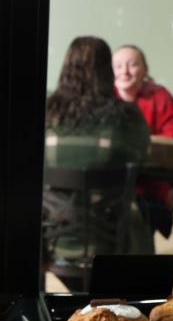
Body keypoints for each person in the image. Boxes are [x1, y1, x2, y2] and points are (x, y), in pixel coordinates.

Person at [43, 36, 153, 282]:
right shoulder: (127, 117)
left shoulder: (46, 113)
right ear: (107, 71)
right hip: (109, 240)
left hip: (52, 240)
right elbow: (143, 157)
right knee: (143, 212)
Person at [112, 44, 173, 237]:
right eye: (118, 66)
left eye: (132, 65)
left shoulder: (160, 96)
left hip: (148, 184)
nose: (125, 72)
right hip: (109, 184)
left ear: (145, 70)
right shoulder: (105, 96)